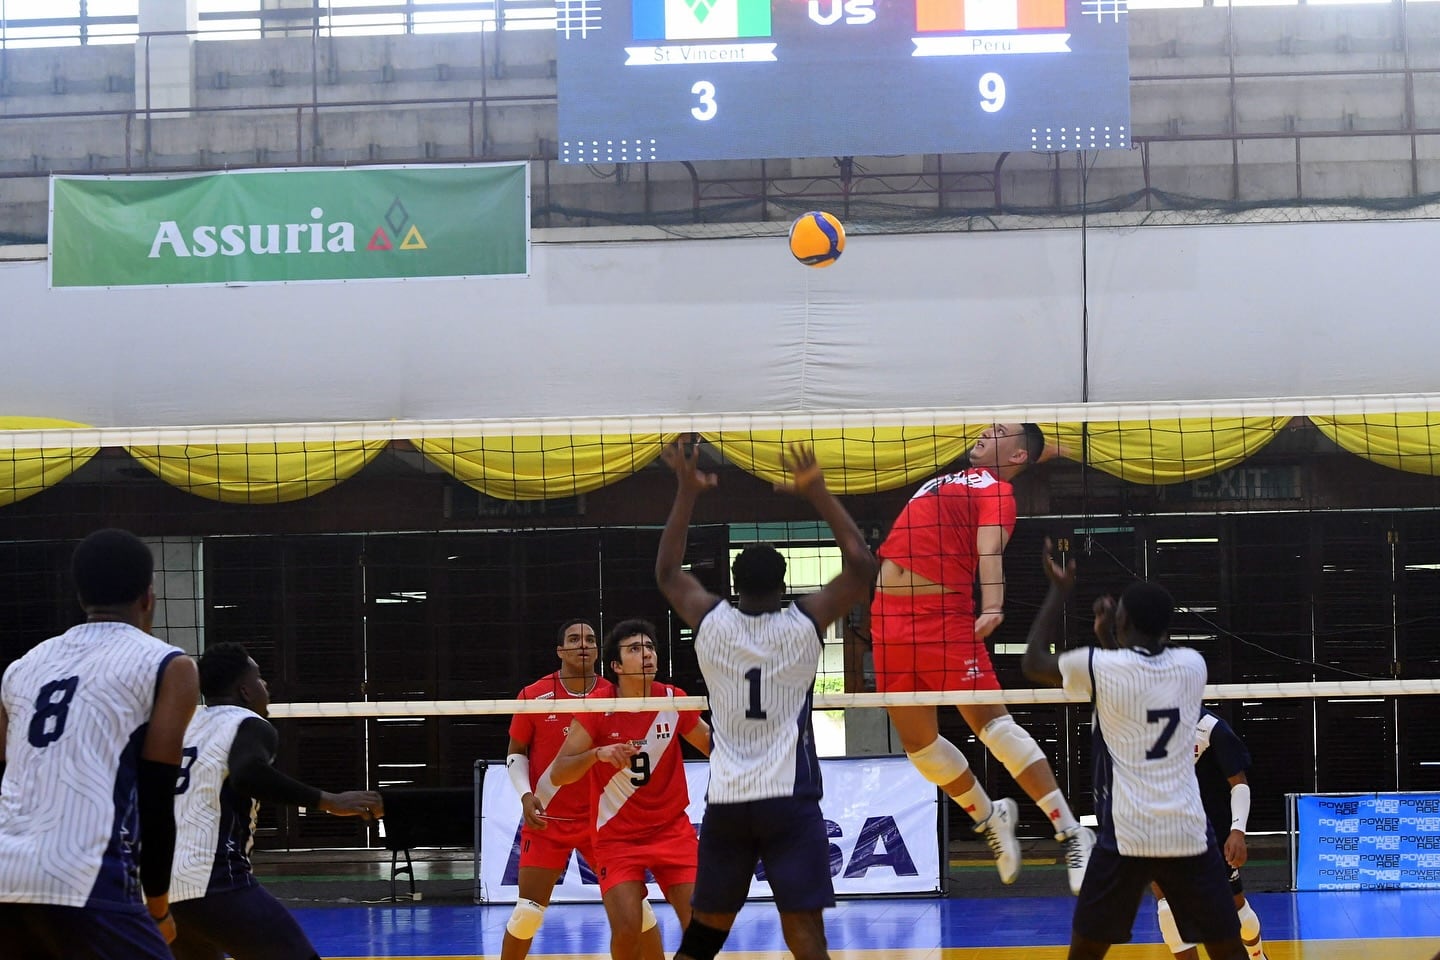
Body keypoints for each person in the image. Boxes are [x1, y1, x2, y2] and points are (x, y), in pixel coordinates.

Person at [654, 437, 877, 960]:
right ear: (784, 585)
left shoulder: (711, 623)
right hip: (789, 801)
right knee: (804, 933)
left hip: (729, 801)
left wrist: (685, 491)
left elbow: (667, 574)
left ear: (732, 584)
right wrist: (817, 492)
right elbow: (863, 568)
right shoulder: (803, 625)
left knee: (706, 932)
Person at [870, 422, 1093, 891]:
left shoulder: (997, 492)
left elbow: (989, 547)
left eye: (1000, 432)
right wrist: (1047, 447)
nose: (986, 433)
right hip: (887, 619)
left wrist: (993, 604)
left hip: (943, 617)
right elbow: (1033, 448)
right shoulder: (959, 475)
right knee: (921, 751)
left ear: (1015, 457)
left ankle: (1071, 831)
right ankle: (991, 817)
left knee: (996, 729)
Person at [1021, 539, 1246, 960]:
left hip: (1127, 835)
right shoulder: (1192, 666)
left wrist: (1058, 591)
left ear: (1122, 620)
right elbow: (1135, 674)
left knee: (1085, 950)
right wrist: (1112, 635)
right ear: (1165, 627)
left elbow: (1032, 662)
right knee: (1227, 949)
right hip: (1186, 833)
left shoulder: (1100, 666)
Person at [0, 528, 200, 957]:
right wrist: (159, 907)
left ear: (80, 597)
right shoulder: (170, 665)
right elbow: (156, 795)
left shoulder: (20, 668)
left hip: (5, 876)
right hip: (88, 875)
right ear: (149, 596)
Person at [167, 643, 383, 960]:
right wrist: (329, 800)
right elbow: (248, 774)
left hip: (159, 884)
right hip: (212, 877)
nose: (265, 685)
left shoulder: (186, 729)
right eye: (259, 678)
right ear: (244, 691)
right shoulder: (249, 723)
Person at [502, 619, 663, 960]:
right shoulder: (533, 696)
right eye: (574, 639)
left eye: (590, 639)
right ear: (560, 650)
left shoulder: (615, 695)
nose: (584, 645)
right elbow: (516, 753)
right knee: (526, 914)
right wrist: (525, 795)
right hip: (548, 820)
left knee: (639, 912)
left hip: (602, 824)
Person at [552, 619, 712, 960]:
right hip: (617, 838)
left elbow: (714, 747)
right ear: (616, 665)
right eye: (635, 649)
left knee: (700, 924)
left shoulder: (672, 699)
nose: (647, 654)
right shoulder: (597, 706)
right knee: (627, 929)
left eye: (650, 647)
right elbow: (559, 772)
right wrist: (598, 754)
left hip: (671, 831)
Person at [1148, 704, 1267, 960]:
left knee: (1235, 910)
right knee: (1167, 904)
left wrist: (1237, 831)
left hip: (1210, 832)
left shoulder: (1211, 728)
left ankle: (1256, 954)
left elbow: (1239, 784)